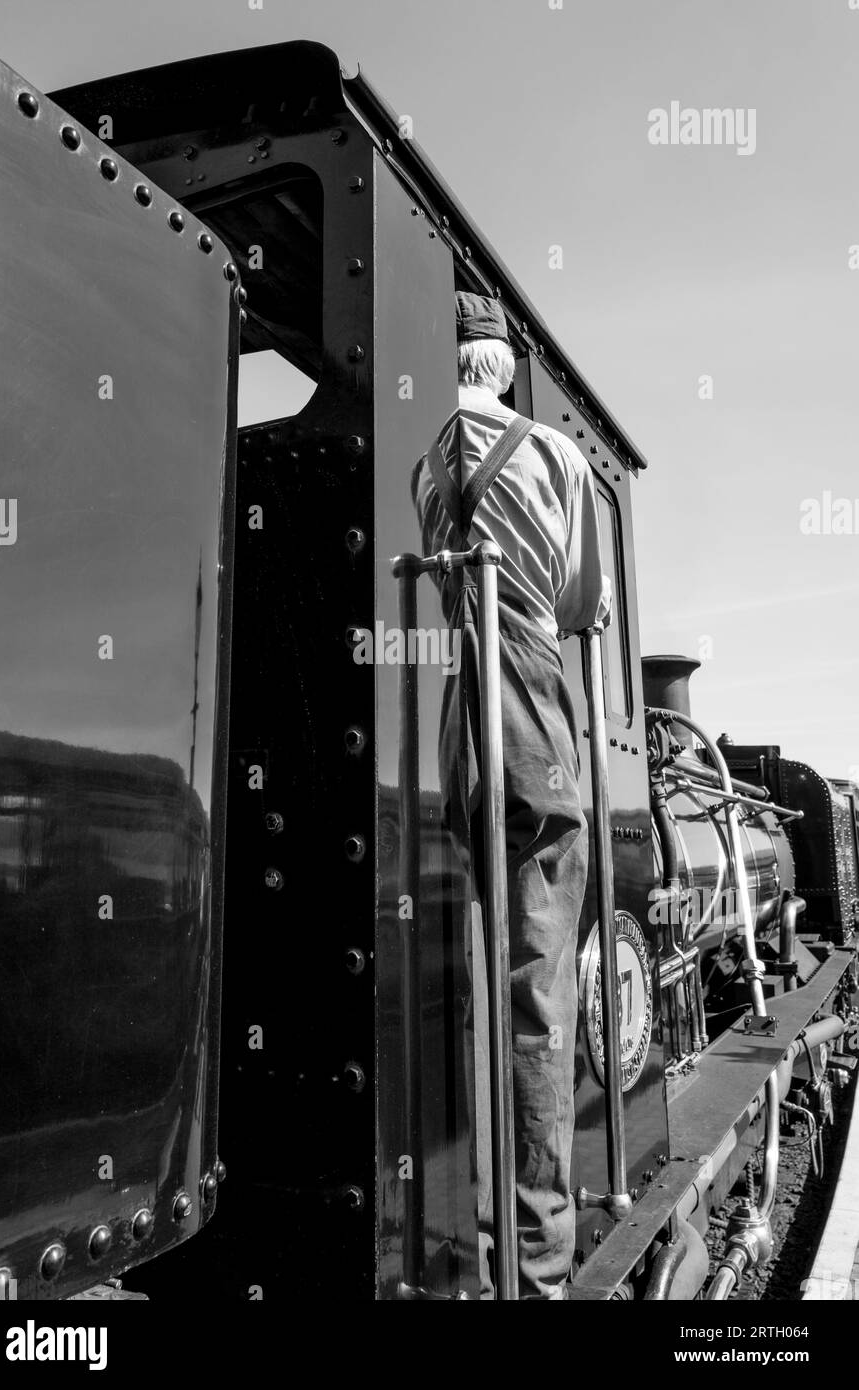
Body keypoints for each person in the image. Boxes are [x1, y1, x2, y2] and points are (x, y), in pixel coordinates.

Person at [411, 291, 611, 1300]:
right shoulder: (555, 454)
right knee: (539, 994)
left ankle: (476, 1226)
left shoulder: (424, 469)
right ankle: (538, 1265)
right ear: (499, 364)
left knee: (489, 975)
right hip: (533, 705)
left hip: (462, 722)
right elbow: (583, 602)